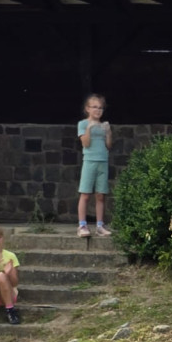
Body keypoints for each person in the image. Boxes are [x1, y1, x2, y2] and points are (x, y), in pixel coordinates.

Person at [77, 94, 113, 238]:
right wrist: (89, 129)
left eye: (100, 108)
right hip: (89, 161)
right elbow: (85, 143)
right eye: (94, 107)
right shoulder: (83, 124)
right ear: (87, 109)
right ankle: (82, 225)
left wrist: (108, 132)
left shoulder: (103, 125)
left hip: (102, 161)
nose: (98, 110)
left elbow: (108, 146)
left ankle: (100, 225)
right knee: (85, 194)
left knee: (100, 195)